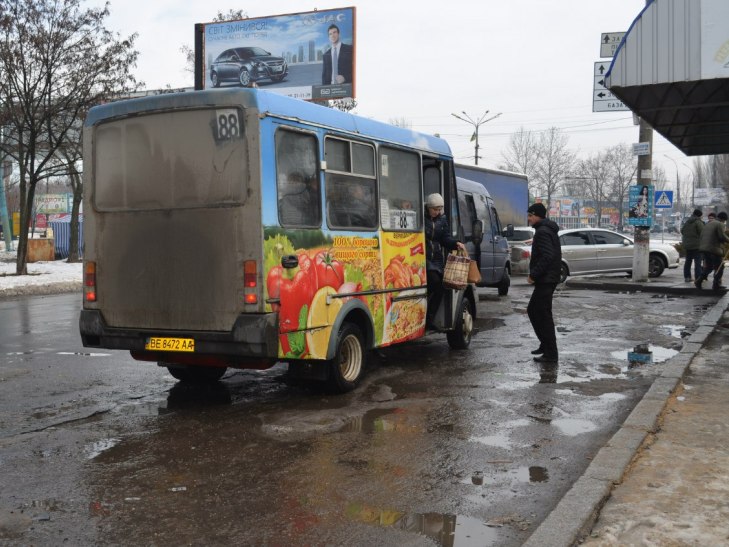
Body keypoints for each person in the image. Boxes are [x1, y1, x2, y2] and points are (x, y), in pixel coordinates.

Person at [526, 203, 562, 363]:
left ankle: (551, 353)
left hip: (546, 279)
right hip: (549, 278)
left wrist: (533, 274)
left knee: (541, 314)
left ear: (538, 216)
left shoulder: (542, 232)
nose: (529, 219)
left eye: (530, 215)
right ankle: (545, 345)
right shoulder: (546, 230)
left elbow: (548, 256)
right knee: (535, 311)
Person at [424, 193, 465, 328]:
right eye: (435, 209)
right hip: (423, 258)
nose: (437, 212)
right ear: (428, 207)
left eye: (440, 209)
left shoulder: (442, 220)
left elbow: (445, 239)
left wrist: (455, 243)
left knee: (440, 288)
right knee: (435, 283)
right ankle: (425, 319)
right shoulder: (421, 218)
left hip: (437, 258)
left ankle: (429, 319)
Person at [695, 211, 729, 290]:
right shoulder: (719, 224)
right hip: (713, 248)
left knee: (709, 267)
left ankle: (699, 281)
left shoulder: (709, 223)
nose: (724, 222)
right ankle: (716, 284)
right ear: (723, 219)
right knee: (720, 267)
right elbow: (721, 236)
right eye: (724, 220)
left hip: (704, 248)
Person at [680, 208, 704, 282]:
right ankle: (698, 278)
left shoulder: (687, 221)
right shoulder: (698, 222)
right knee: (698, 262)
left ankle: (687, 277)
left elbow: (682, 231)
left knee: (688, 262)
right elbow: (702, 233)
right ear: (699, 215)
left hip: (687, 246)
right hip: (697, 246)